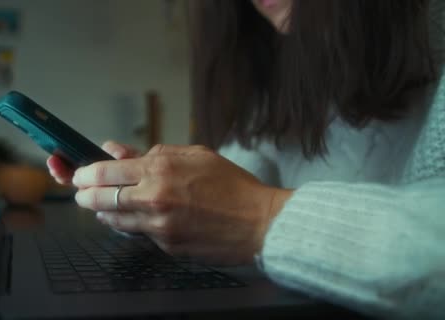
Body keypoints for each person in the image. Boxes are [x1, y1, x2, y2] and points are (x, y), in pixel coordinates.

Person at [47, 0, 445, 318]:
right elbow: (218, 202)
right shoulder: (279, 79)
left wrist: (261, 217)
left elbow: (242, 210)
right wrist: (150, 200)